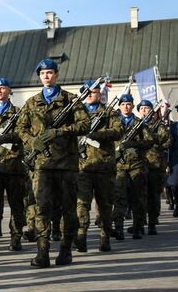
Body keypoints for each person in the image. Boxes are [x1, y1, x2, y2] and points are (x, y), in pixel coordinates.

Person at [17, 59, 90, 267]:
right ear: (39, 77)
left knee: (68, 209)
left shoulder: (71, 100)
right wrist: (33, 142)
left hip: (66, 164)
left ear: (57, 75)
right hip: (42, 165)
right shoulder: (32, 102)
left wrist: (60, 131)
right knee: (42, 209)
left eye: (50, 73)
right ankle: (43, 252)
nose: (46, 76)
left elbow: (85, 124)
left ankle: (66, 251)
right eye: (43, 73)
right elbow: (21, 129)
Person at [76, 81, 123, 252]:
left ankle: (105, 237)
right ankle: (81, 235)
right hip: (82, 167)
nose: (89, 94)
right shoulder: (76, 112)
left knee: (104, 205)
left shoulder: (109, 112)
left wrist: (97, 135)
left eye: (93, 91)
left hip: (104, 166)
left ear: (99, 94)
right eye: (85, 92)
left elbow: (118, 132)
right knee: (82, 203)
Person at [0, 78, 27, 252]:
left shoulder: (18, 113)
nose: (0, 91)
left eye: (3, 88)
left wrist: (6, 138)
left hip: (14, 167)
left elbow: (24, 133)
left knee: (16, 205)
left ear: (10, 91)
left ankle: (16, 237)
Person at [113, 94, 152, 240]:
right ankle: (118, 228)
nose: (126, 107)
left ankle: (137, 227)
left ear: (132, 105)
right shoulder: (114, 122)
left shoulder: (139, 123)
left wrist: (133, 144)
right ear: (119, 106)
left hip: (136, 165)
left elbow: (150, 141)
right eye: (123, 104)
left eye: (129, 104)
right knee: (119, 197)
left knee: (138, 198)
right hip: (119, 165)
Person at [142, 101, 172, 235]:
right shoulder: (137, 125)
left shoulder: (159, 125)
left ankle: (152, 222)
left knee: (153, 194)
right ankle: (140, 221)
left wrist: (153, 142)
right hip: (139, 164)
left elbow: (167, 139)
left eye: (147, 108)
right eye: (141, 108)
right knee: (140, 195)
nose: (144, 110)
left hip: (155, 165)